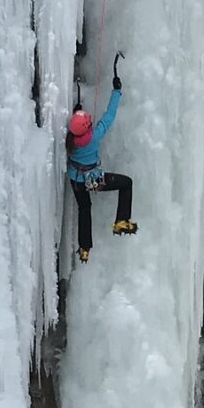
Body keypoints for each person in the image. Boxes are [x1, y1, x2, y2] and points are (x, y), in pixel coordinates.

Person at [66, 56, 136, 260]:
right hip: (93, 180)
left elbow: (77, 127)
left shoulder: (70, 139)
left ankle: (84, 248)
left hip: (75, 180)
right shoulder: (94, 137)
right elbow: (109, 116)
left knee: (84, 208)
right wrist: (116, 91)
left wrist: (76, 112)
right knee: (126, 183)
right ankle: (121, 220)